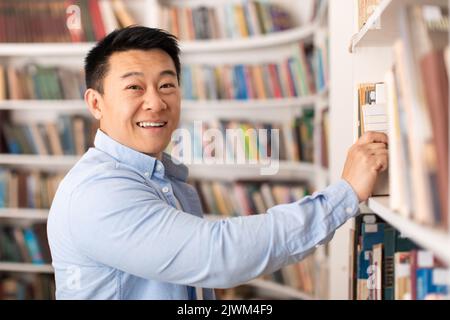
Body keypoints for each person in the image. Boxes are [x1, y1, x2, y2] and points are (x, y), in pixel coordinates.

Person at [47, 26, 388, 300]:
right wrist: (344, 194)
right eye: (134, 87)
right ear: (96, 103)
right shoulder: (98, 193)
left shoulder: (160, 177)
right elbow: (217, 255)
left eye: (167, 85)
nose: (155, 101)